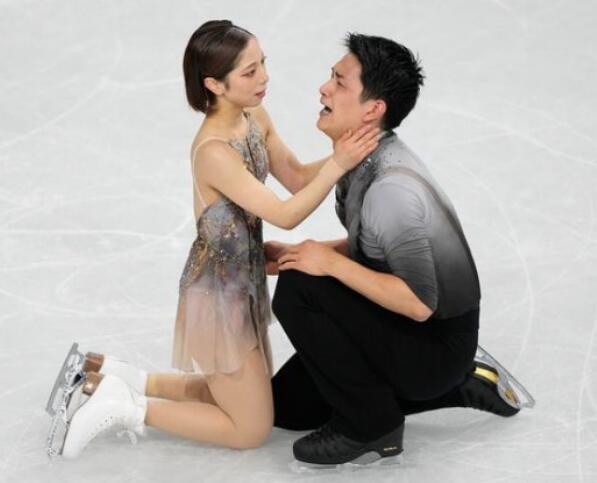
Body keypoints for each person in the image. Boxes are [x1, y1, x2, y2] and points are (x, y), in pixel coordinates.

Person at [45, 20, 380, 459]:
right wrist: (339, 164)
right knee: (249, 429)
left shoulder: (254, 117)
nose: (264, 77)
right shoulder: (214, 151)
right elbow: (286, 214)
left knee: (250, 399)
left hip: (245, 283)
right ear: (214, 84)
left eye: (263, 63)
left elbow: (298, 179)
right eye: (249, 72)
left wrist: (350, 152)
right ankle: (127, 407)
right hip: (216, 297)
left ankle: (111, 376)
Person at [267, 32, 534, 468]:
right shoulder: (362, 155)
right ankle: (459, 386)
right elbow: (372, 247)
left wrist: (326, 262)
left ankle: (374, 427)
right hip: (411, 331)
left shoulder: (391, 190)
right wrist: (303, 252)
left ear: (373, 110)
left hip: (434, 341)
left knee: (300, 287)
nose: (324, 89)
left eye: (339, 82)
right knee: (287, 408)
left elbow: (419, 303)